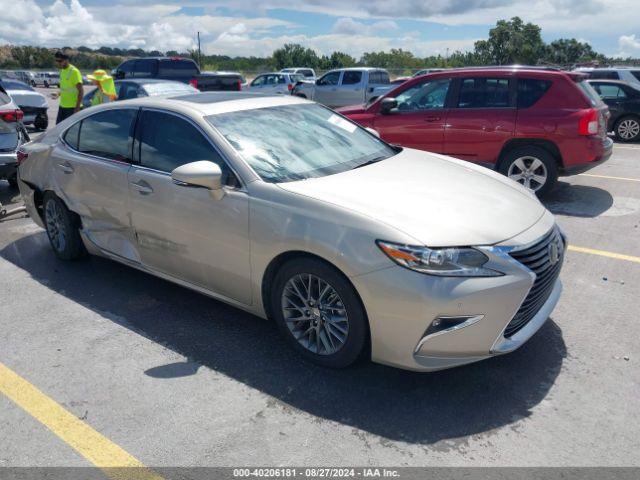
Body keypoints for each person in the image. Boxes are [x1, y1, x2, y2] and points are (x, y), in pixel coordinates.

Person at [54, 51, 83, 124]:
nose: (58, 63)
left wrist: (77, 108)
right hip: (62, 106)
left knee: (70, 132)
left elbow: (81, 91)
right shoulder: (62, 71)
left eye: (60, 61)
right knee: (58, 128)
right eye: (56, 61)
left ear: (66, 60)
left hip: (72, 108)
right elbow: (65, 88)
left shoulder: (74, 72)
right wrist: (58, 93)